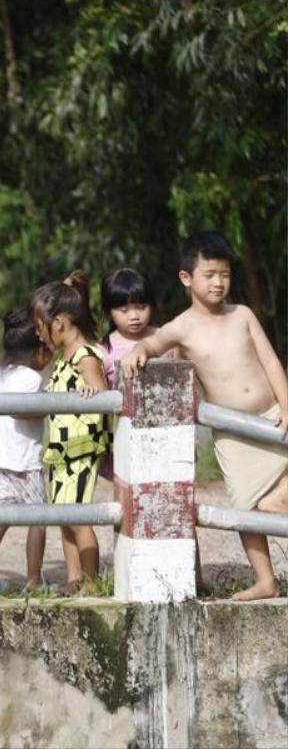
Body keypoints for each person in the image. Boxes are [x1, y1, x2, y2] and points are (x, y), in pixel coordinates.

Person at [122, 231, 288, 601]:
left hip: (273, 415)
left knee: (277, 496)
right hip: (233, 433)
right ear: (187, 278)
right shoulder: (183, 326)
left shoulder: (242, 314)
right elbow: (153, 341)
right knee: (248, 508)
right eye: (209, 274)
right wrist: (138, 350)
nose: (218, 282)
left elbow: (272, 362)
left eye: (225, 275)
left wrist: (287, 405)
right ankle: (265, 579)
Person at [31, 271, 110, 594]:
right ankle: (74, 577)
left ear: (60, 323)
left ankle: (91, 581)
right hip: (62, 450)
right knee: (64, 517)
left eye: (41, 327)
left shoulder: (85, 356)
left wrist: (93, 394)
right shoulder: (64, 357)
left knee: (78, 517)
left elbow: (103, 396)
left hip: (81, 449)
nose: (39, 335)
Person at [0, 309, 51, 591]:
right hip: (25, 462)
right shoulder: (32, 378)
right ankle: (34, 579)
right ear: (39, 351)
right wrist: (47, 406)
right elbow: (23, 413)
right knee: (39, 520)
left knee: (0, 517)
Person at [98, 267, 165, 389]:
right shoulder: (102, 350)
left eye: (141, 307)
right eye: (124, 310)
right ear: (108, 312)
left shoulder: (167, 339)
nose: (134, 316)